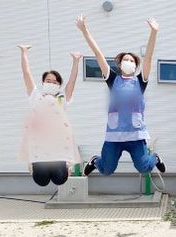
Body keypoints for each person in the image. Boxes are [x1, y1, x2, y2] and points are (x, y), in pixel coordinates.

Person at [75, 14, 166, 177]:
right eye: (126, 59)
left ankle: (155, 158)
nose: (129, 62)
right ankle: (95, 160)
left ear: (135, 66)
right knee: (107, 169)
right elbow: (98, 55)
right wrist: (85, 30)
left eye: (132, 60)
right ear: (120, 64)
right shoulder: (113, 80)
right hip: (114, 134)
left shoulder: (140, 81)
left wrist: (154, 32)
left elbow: (149, 57)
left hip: (135, 134)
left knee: (144, 167)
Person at [18, 44, 81, 186]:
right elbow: (26, 74)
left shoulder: (62, 99)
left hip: (58, 148)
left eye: (55, 82)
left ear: (59, 85)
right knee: (42, 181)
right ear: (43, 83)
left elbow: (72, 81)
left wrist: (76, 61)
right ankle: (34, 167)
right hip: (39, 149)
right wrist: (24, 53)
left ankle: (65, 167)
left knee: (60, 180)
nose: (51, 83)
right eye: (48, 81)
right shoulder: (36, 97)